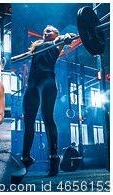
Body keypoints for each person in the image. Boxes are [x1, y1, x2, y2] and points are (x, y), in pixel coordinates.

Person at [12, 25, 76, 176]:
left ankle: (54, 159)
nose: (45, 32)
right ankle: (26, 158)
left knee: (47, 117)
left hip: (46, 81)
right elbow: (21, 57)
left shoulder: (56, 43)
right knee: (28, 122)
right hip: (32, 84)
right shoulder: (37, 48)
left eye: (49, 31)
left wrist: (67, 37)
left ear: (55, 34)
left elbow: (70, 36)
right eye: (44, 31)